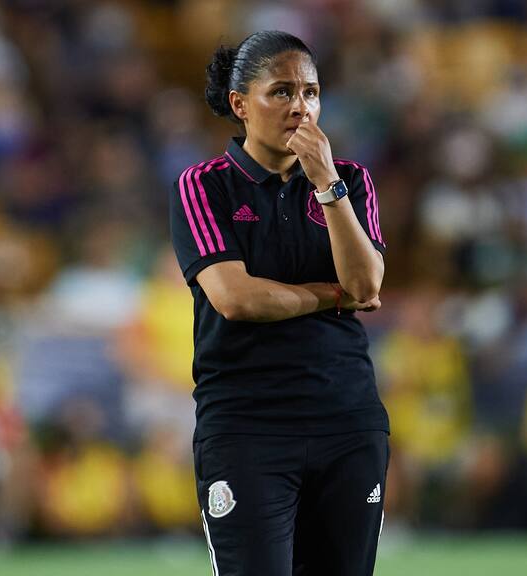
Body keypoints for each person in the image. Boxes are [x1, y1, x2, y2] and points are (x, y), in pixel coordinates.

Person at [168, 31, 390, 575]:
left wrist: (325, 181)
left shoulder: (351, 181)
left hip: (346, 419)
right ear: (240, 104)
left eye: (311, 92)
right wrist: (328, 296)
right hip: (248, 426)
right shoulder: (204, 187)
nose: (301, 106)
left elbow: (365, 285)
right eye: (282, 91)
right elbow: (236, 299)